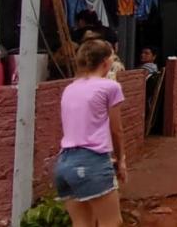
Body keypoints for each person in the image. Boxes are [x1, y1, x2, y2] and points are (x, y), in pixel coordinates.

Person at [54, 39, 127, 226]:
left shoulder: (70, 88)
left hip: (64, 163)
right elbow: (116, 130)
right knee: (111, 222)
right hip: (92, 160)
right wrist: (121, 160)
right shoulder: (110, 87)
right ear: (105, 62)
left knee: (82, 223)